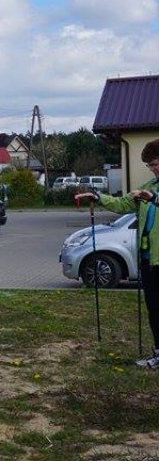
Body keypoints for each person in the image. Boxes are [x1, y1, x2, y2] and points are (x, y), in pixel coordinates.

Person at [74, 139, 159, 369]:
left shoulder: (152, 193)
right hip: (148, 257)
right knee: (154, 309)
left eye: (155, 163)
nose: (153, 169)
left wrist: (154, 199)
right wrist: (98, 197)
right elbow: (122, 204)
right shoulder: (150, 186)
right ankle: (158, 353)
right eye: (151, 165)